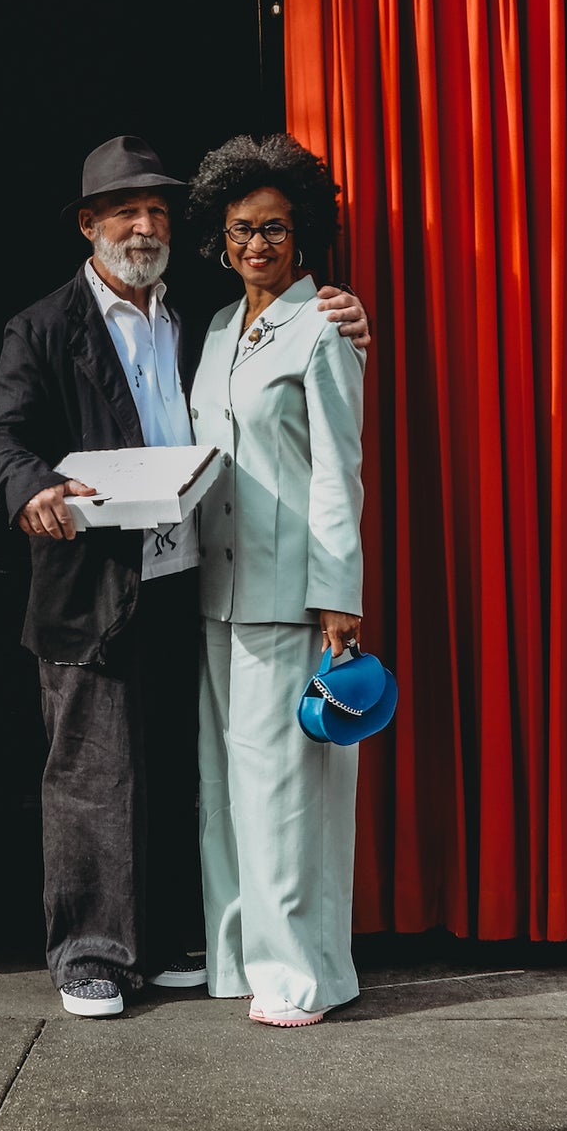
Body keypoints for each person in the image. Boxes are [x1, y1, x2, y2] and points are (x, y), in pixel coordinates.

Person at [0, 134, 369, 1020]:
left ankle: (212, 953)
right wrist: (32, 486)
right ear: (89, 225)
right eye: (125, 210)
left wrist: (350, 323)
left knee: (200, 780)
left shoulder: (205, 320)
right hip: (97, 583)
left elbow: (325, 449)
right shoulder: (47, 326)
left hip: (199, 583)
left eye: (157, 210)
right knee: (94, 775)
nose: (144, 225)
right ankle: (94, 959)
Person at [187, 133, 365, 1028]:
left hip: (289, 599)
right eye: (242, 229)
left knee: (287, 796)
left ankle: (299, 977)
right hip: (214, 595)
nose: (258, 244)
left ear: (303, 238)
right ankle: (237, 960)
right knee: (224, 790)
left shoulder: (326, 324)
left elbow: (340, 468)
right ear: (221, 241)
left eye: (276, 229)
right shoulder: (219, 329)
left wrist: (338, 592)